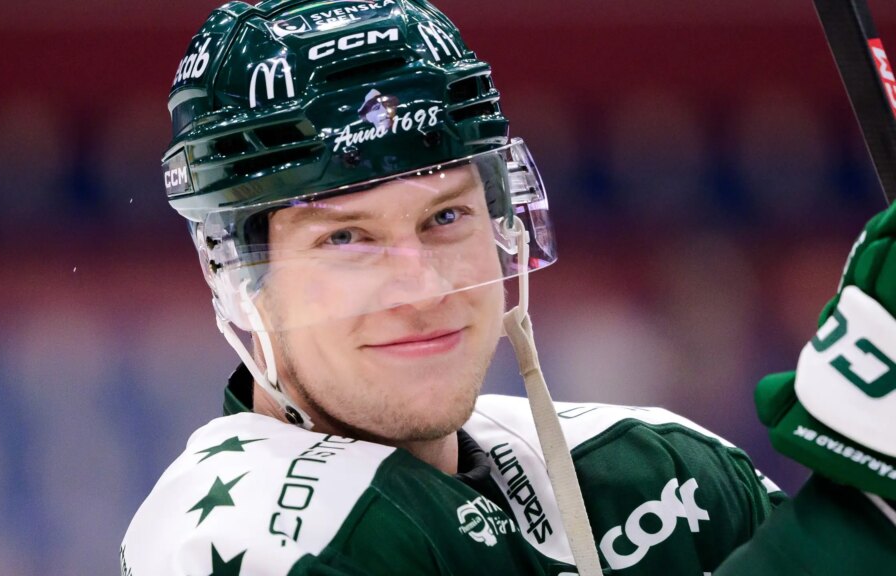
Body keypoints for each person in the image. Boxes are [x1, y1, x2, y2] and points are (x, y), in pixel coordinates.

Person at [123, 1, 896, 574]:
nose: (422, 287)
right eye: (347, 238)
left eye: (446, 217)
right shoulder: (243, 539)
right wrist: (860, 508)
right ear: (238, 276)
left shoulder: (655, 472)